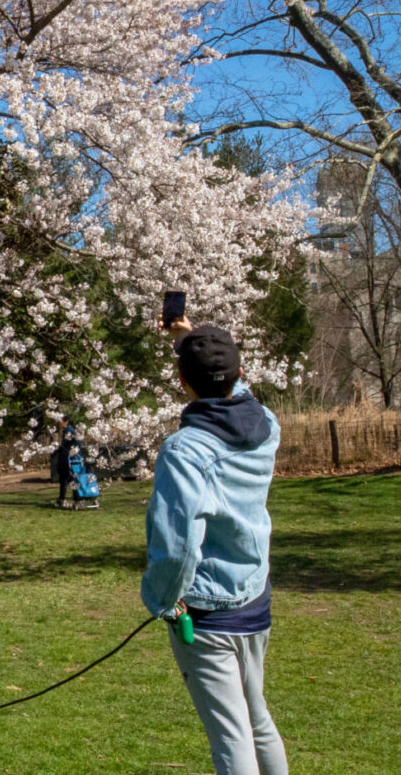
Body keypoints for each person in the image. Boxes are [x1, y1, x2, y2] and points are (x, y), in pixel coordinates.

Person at [143, 317, 287, 775]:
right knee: (257, 717)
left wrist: (162, 600)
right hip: (254, 593)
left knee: (230, 734)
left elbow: (178, 544)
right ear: (239, 373)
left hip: (205, 610)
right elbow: (232, 387)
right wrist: (186, 339)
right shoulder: (266, 423)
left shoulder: (186, 449)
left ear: (182, 380)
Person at [52, 416, 81, 508]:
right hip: (65, 459)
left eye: (60, 422)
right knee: (65, 479)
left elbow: (77, 444)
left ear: (65, 422)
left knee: (68, 479)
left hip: (68, 460)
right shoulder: (66, 431)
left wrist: (73, 452)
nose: (60, 424)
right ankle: (64, 498)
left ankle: (72, 499)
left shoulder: (70, 431)